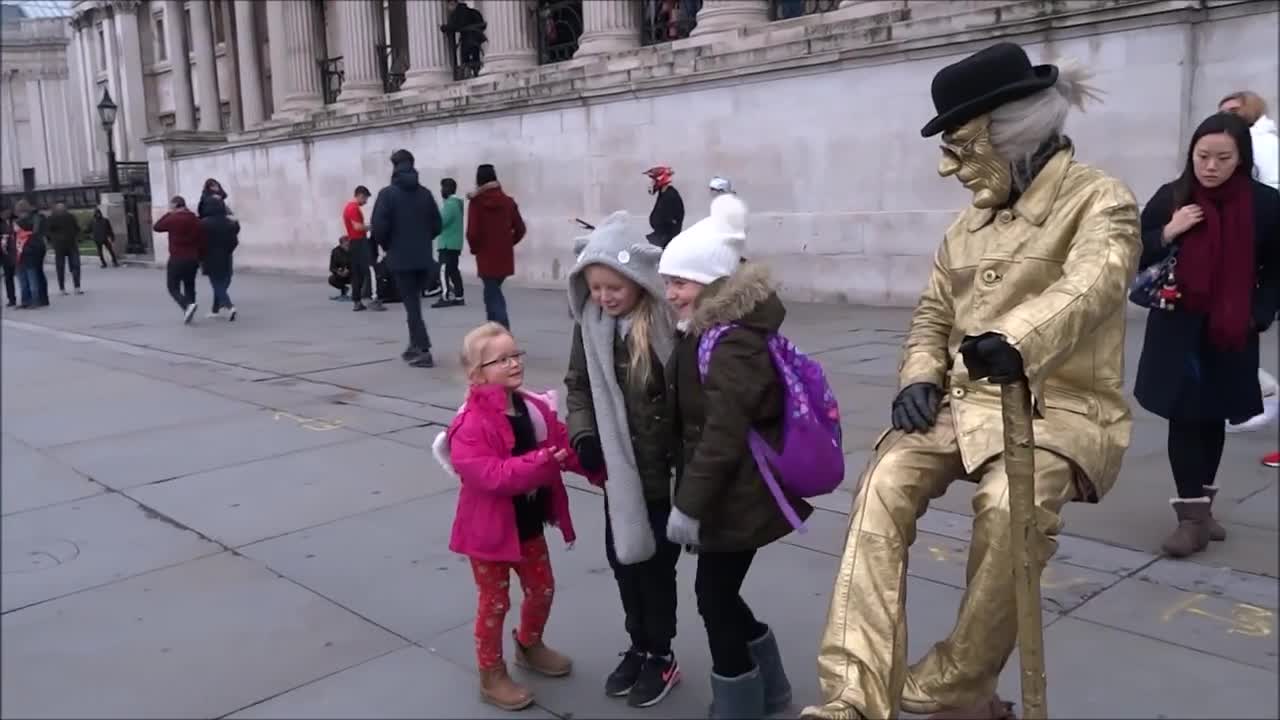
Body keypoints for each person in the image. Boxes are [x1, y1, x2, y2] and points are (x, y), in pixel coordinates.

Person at [802, 43, 1141, 720]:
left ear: (1012, 133)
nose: (946, 166)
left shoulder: (1100, 200)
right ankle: (852, 697)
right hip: (962, 403)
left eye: (961, 146)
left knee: (1011, 505)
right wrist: (918, 375)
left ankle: (958, 677)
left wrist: (1016, 341)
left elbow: (1095, 282)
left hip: (1057, 409)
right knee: (880, 488)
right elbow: (931, 314)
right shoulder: (964, 228)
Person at [657, 193, 808, 718]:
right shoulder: (709, 332)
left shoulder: (730, 342)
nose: (670, 293)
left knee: (713, 600)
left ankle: (739, 705)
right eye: (667, 282)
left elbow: (720, 432)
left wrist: (689, 506)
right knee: (719, 595)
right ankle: (771, 687)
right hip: (729, 491)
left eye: (680, 282)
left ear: (714, 282)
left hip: (735, 496)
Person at [1133, 111, 1280, 559]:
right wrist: (1169, 231)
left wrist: (1260, 313)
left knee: (1213, 416)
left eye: (1222, 157)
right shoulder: (1172, 196)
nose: (1210, 166)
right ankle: (1191, 519)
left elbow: (1274, 268)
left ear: (1241, 158)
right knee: (1184, 415)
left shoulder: (1265, 204)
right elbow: (1132, 251)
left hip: (1230, 329)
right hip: (1178, 327)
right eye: (1202, 156)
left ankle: (1203, 510)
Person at [563, 212, 682, 707]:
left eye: (614, 287)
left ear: (636, 281)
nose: (605, 298)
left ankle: (662, 654)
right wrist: (584, 434)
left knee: (657, 570)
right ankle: (637, 644)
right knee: (623, 563)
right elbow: (578, 387)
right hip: (620, 471)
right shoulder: (590, 328)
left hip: (666, 473)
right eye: (596, 288)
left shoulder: (665, 324)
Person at [433, 322, 584, 711]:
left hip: (528, 526)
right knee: (494, 603)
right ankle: (491, 673)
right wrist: (540, 462)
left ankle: (529, 644)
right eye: (502, 359)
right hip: (488, 535)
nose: (514, 363)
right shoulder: (470, 423)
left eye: (516, 355)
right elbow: (488, 475)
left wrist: (594, 463)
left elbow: (561, 445)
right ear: (476, 373)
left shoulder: (532, 407)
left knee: (542, 589)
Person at [1218, 91, 1280, 469]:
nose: (1225, 118)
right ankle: (1255, 396)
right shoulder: (1253, 142)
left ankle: (1258, 396)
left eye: (1233, 111)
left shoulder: (1261, 143)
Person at [371, 149, 443, 367]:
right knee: (414, 304)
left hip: (401, 259)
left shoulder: (387, 194)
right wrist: (422, 241)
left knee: (412, 306)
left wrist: (389, 246)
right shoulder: (426, 193)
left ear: (394, 167)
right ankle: (414, 345)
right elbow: (437, 225)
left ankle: (422, 349)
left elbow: (379, 227)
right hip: (423, 259)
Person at [467, 163, 525, 329]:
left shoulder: (476, 203)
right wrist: (508, 243)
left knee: (493, 295)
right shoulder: (508, 202)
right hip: (504, 256)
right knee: (491, 292)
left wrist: (475, 248)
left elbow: (472, 233)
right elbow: (520, 229)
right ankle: (493, 329)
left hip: (485, 256)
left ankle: (503, 332)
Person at [153, 195, 206, 324]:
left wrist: (168, 214)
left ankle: (187, 305)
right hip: (193, 258)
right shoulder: (195, 219)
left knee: (172, 286)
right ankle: (189, 310)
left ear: (176, 205)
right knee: (189, 285)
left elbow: (157, 227)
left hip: (177, 257)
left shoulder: (173, 219)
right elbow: (202, 239)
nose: (169, 208)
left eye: (171, 205)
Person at [1219, 90, 1279, 190]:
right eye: (1221, 113)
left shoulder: (1266, 142)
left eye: (1234, 110)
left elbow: (1273, 183)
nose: (1226, 116)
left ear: (1252, 110)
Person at [199, 195, 240, 321]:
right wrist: (228, 250)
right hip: (226, 255)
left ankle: (229, 306)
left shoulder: (203, 223)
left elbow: (199, 241)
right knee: (224, 281)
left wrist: (200, 255)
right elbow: (234, 240)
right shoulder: (229, 222)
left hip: (209, 256)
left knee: (216, 283)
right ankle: (215, 309)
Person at [344, 185, 384, 312]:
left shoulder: (348, 208)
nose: (366, 202)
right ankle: (374, 298)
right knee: (371, 269)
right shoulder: (353, 208)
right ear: (360, 195)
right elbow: (357, 227)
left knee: (357, 273)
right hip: (360, 242)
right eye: (365, 198)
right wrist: (372, 227)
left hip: (353, 243)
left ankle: (357, 301)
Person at [433, 177, 466, 308]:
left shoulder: (450, 205)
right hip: (455, 244)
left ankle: (445, 296)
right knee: (453, 271)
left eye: (442, 188)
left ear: (448, 189)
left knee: (443, 270)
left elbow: (440, 223)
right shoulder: (457, 204)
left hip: (447, 244)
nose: (441, 191)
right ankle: (459, 296)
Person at [13, 200, 49, 308]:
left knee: (33, 276)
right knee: (35, 275)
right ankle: (35, 300)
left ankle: (35, 300)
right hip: (30, 251)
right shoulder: (36, 217)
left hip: (30, 251)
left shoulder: (31, 220)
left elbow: (35, 234)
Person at [45, 203, 83, 295]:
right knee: (71, 266)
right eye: (60, 209)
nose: (62, 210)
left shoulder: (67, 217)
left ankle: (69, 288)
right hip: (65, 245)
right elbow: (48, 231)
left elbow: (48, 232)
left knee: (68, 266)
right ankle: (69, 288)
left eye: (62, 208)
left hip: (65, 245)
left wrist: (52, 240)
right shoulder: (55, 218)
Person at [442, 0, 486, 78]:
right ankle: (475, 72)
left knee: (465, 58)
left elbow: (456, 26)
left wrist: (445, 28)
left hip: (468, 38)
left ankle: (468, 74)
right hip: (476, 37)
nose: (448, 8)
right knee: (474, 56)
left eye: (449, 6)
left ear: (453, 3)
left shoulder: (459, 12)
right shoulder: (466, 10)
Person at [644, 166, 684, 248]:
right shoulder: (663, 194)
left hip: (666, 243)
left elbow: (670, 228)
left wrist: (659, 243)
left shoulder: (670, 196)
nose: (651, 183)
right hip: (660, 238)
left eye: (653, 180)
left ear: (660, 179)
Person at [2, 206, 16, 307]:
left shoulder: (15, 220)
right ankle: (11, 298)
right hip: (5, 254)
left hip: (17, 252)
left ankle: (28, 297)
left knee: (21, 276)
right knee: (8, 277)